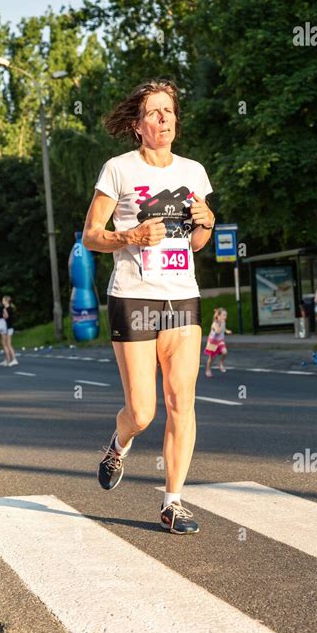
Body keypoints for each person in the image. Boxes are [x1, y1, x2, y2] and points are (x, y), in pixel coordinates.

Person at [83, 78, 215, 535]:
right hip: (134, 295)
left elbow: (196, 242)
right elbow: (91, 236)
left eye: (169, 112)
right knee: (143, 411)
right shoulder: (118, 170)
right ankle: (119, 444)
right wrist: (131, 236)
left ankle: (173, 502)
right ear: (138, 126)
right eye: (154, 113)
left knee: (182, 400)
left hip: (182, 293)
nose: (164, 119)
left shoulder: (194, 172)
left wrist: (207, 223)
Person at [204, 307, 232, 377]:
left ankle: (220, 363)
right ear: (218, 316)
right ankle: (208, 370)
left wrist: (226, 331)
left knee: (225, 352)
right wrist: (222, 325)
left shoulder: (223, 322)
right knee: (212, 358)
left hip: (220, 342)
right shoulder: (215, 324)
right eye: (224, 315)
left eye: (226, 315)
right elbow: (218, 332)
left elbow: (223, 329)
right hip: (213, 343)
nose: (225, 317)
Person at [1, 295, 18, 366]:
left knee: (8, 344)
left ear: (6, 301)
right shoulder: (6, 308)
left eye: (3, 300)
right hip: (6, 328)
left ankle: (14, 359)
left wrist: (3, 311)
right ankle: (7, 359)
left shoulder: (9, 308)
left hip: (9, 328)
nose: (2, 302)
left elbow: (6, 317)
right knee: (4, 344)